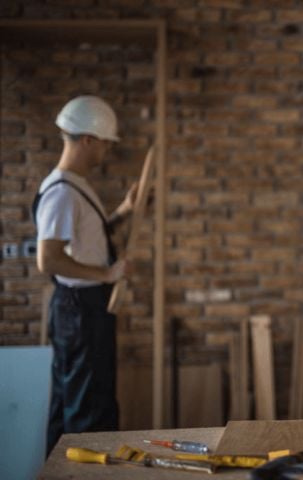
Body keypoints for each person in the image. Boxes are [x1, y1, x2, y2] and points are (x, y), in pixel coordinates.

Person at [34, 95, 136, 455]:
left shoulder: (75, 186)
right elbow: (49, 260)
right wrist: (107, 274)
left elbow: (86, 240)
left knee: (75, 405)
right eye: (106, 144)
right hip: (80, 310)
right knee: (89, 411)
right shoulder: (62, 192)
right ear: (89, 140)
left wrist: (123, 211)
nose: (106, 151)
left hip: (82, 308)